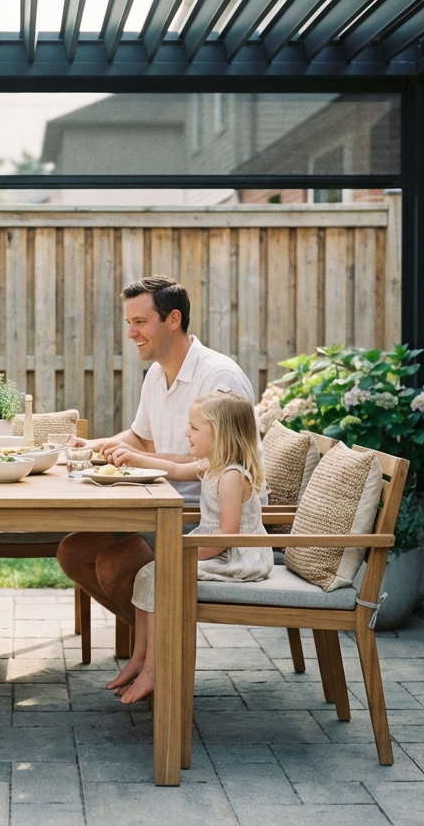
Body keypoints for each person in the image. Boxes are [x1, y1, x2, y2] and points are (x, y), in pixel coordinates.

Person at [57, 275, 257, 631]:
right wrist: (91, 446)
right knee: (74, 552)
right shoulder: (156, 373)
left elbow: (222, 463)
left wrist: (144, 460)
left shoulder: (218, 378)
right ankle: (153, 645)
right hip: (157, 504)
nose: (131, 333)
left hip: (200, 517)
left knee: (114, 565)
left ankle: (161, 653)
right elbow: (141, 437)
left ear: (173, 320)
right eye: (129, 323)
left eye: (140, 322)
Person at [109, 391, 272, 704]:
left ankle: (153, 670)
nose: (187, 433)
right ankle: (139, 660)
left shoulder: (231, 476)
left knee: (159, 575)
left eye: (195, 428)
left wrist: (181, 555)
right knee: (148, 573)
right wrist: (136, 458)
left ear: (221, 434)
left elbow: (226, 535)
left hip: (238, 558)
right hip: (218, 549)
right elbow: (173, 471)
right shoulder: (213, 465)